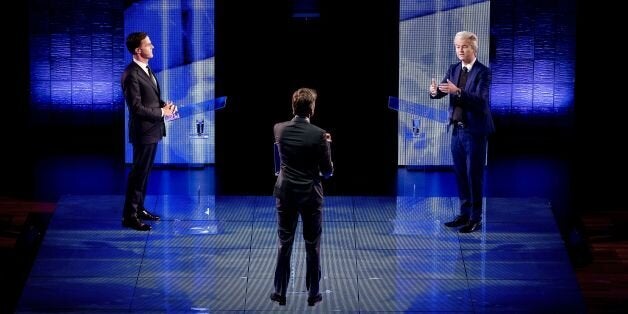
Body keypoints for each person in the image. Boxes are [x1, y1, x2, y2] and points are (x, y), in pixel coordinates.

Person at [270, 87, 334, 306]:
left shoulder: (279, 129)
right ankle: (313, 293)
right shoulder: (319, 135)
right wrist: (328, 146)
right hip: (310, 195)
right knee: (312, 245)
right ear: (312, 109)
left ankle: (279, 292)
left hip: (285, 193)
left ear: (293, 106)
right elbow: (327, 171)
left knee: (284, 243)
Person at [430, 31, 495, 233]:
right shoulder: (453, 69)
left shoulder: (483, 72)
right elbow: (442, 90)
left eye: (464, 46)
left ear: (473, 48)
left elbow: (480, 102)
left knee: (473, 175)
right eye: (457, 46)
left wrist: (457, 91)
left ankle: (475, 218)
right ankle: (464, 214)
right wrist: (434, 92)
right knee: (460, 174)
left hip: (474, 132)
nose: (460, 50)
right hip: (457, 131)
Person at [121, 31, 177, 231]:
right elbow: (136, 108)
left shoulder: (146, 69)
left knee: (144, 173)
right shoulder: (131, 74)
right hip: (143, 132)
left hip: (153, 130)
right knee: (138, 174)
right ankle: (130, 216)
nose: (152, 47)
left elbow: (150, 99)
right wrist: (161, 112)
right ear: (138, 50)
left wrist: (165, 106)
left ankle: (140, 209)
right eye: (148, 44)